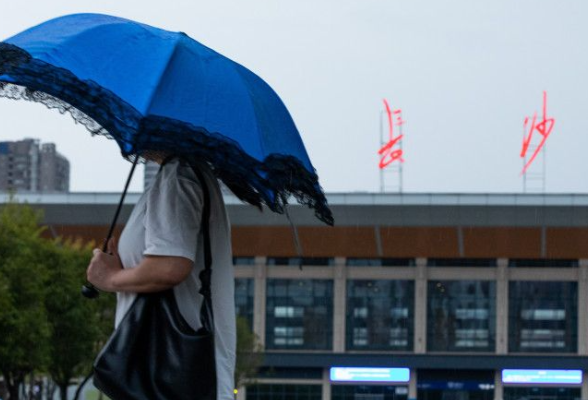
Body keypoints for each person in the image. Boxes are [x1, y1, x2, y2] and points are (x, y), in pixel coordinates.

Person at [86, 156, 236, 400]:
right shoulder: (182, 174)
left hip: (169, 378)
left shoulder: (177, 176)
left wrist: (110, 278)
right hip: (169, 377)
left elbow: (169, 267)